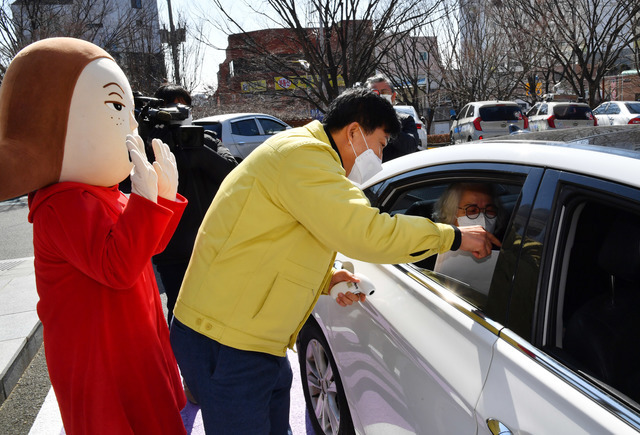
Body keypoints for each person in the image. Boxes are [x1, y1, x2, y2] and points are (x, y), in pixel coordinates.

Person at [169, 88, 498, 434]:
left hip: (248, 338)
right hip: (227, 342)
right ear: (354, 132)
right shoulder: (304, 157)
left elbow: (281, 237)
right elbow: (367, 233)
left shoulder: (306, 156)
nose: (380, 157)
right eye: (382, 144)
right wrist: (453, 236)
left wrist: (326, 277)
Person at [0, 38, 187, 434]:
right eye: (118, 108)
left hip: (131, 342)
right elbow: (116, 266)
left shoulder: (102, 194)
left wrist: (163, 200)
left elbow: (146, 249)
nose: (132, 125)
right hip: (103, 356)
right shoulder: (62, 203)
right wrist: (146, 199)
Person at [147, 84, 237, 326]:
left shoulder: (206, 139)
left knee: (219, 308)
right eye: (172, 108)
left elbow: (233, 174)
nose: (180, 114)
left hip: (211, 244)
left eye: (184, 108)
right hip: (172, 249)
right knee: (180, 309)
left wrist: (198, 152)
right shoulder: (152, 146)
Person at [366, 74, 420, 162]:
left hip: (396, 173)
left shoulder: (405, 120)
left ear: (393, 96)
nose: (380, 96)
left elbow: (411, 147)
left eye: (384, 92)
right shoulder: (360, 123)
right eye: (375, 93)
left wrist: (389, 124)